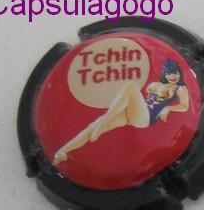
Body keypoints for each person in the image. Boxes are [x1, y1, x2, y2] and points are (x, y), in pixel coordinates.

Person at [52, 59, 191, 165]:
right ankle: (62, 152)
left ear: (179, 73)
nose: (173, 76)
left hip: (146, 118)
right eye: (169, 73)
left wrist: (168, 108)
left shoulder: (180, 89)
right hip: (134, 115)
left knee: (130, 86)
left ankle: (104, 120)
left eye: (175, 73)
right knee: (93, 126)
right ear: (165, 74)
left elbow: (184, 106)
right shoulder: (157, 85)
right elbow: (146, 95)